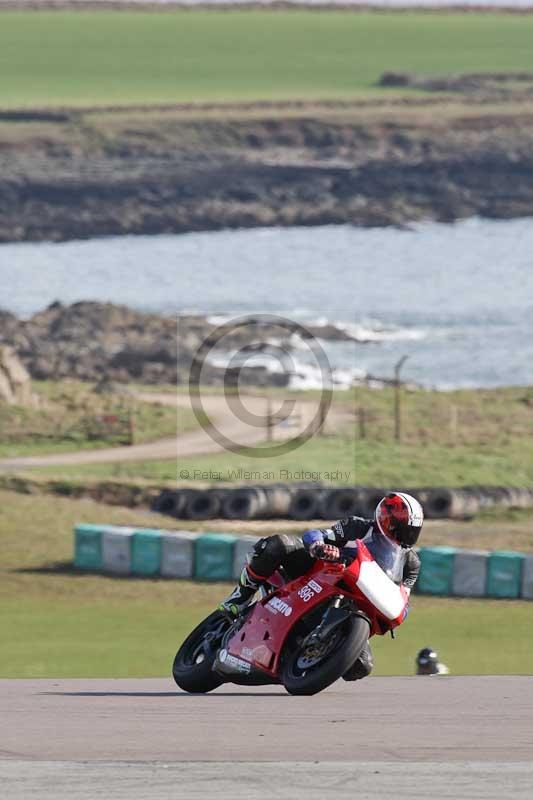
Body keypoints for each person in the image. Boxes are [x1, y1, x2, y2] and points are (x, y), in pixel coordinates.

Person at [220, 491, 424, 681]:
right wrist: (319, 546)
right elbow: (316, 534)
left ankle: (299, 662)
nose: (406, 535)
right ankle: (240, 597)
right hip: (320, 574)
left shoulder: (411, 563)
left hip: (359, 603)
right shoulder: (358, 527)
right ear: (387, 521)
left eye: (412, 531)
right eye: (403, 528)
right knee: (278, 544)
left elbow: (404, 598)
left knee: (360, 666)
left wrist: (400, 613)